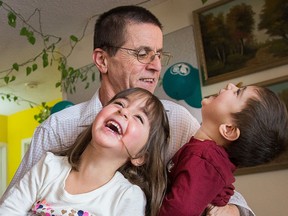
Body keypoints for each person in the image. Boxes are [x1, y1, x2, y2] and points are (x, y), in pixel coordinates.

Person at [1, 5, 253, 215]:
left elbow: (222, 191)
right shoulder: (58, 128)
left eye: (158, 55)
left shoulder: (176, 120)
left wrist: (232, 211)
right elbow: (11, 203)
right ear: (102, 60)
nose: (155, 66)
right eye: (142, 54)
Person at [0, 88, 170, 216]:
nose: (124, 111)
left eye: (139, 117)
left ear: (140, 156)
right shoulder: (48, 166)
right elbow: (9, 210)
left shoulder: (127, 197)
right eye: (119, 103)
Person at [158, 83, 288, 216]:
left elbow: (178, 211)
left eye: (237, 92)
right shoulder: (210, 157)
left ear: (228, 130)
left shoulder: (205, 160)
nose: (231, 85)